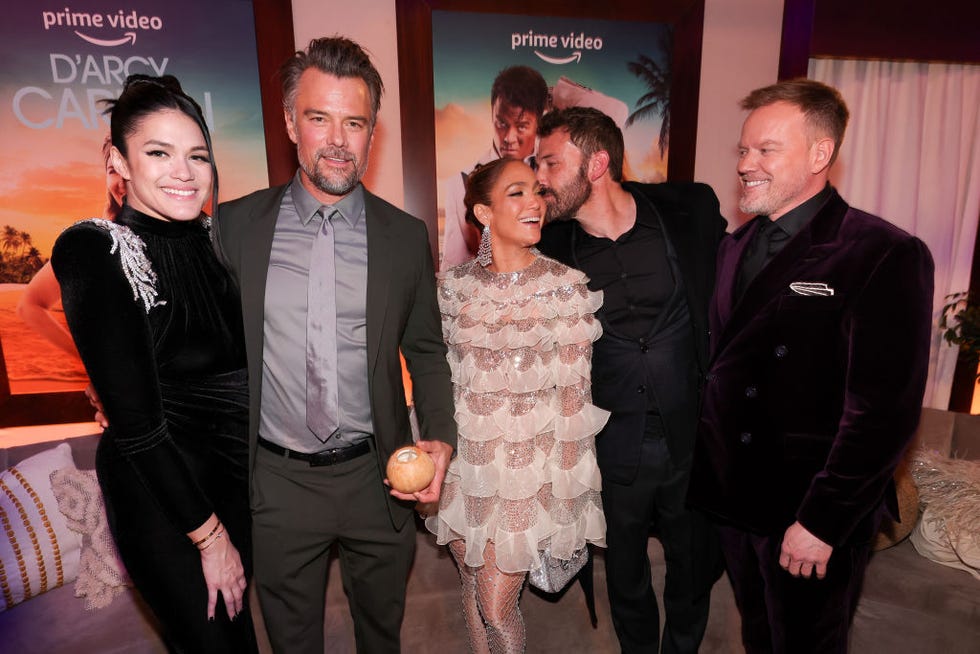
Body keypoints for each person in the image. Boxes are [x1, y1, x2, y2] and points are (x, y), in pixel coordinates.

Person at [214, 37, 457, 654]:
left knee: (382, 634)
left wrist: (442, 440)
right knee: (292, 642)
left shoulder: (405, 238)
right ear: (291, 120)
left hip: (376, 476)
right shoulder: (235, 227)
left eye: (355, 122)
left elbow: (426, 351)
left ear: (373, 131)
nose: (339, 140)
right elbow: (196, 346)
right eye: (320, 118)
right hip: (276, 481)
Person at [688, 79, 935, 653]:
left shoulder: (881, 252)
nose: (747, 163)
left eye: (766, 150)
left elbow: (882, 413)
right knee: (758, 638)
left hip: (809, 510)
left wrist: (824, 521)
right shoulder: (735, 246)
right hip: (736, 500)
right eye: (744, 150)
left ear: (820, 155)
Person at [50, 74, 257, 653]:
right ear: (118, 160)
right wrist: (210, 539)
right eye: (158, 152)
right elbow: (138, 426)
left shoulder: (218, 243)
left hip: (233, 486)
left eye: (197, 155)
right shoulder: (94, 249)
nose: (183, 172)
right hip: (165, 502)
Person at [535, 106, 726, 653]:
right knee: (625, 574)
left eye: (551, 162)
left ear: (597, 163)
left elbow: (739, 288)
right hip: (611, 450)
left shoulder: (689, 209)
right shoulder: (550, 251)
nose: (540, 176)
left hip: (691, 436)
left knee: (692, 566)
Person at [425, 157, 609, 652]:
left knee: (497, 604)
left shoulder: (565, 288)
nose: (535, 203)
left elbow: (576, 404)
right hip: (467, 472)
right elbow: (439, 383)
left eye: (536, 191)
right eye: (516, 193)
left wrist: (565, 500)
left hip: (529, 483)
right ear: (483, 212)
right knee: (470, 584)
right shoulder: (452, 288)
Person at [18, 135, 126, 357]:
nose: (122, 181)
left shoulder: (196, 236)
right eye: (112, 170)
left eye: (132, 167)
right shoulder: (95, 240)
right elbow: (30, 306)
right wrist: (95, 366)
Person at [441, 65, 549, 270]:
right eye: (501, 123)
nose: (509, 138)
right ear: (492, 115)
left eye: (522, 126)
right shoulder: (461, 182)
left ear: (540, 122)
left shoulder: (550, 176)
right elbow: (453, 266)